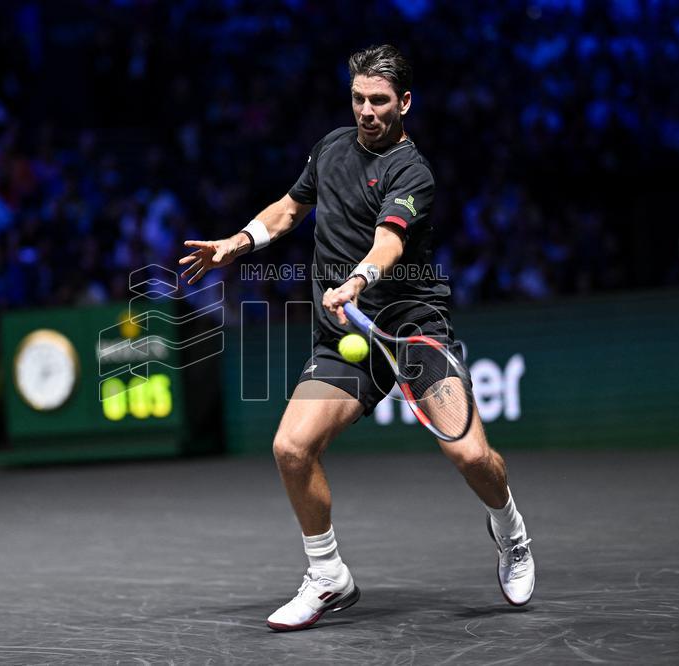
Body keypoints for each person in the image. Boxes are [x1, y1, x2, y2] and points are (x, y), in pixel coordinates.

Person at [179, 44, 535, 631]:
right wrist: (234, 244)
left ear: (405, 103)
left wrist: (357, 280)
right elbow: (288, 211)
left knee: (470, 454)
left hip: (413, 332)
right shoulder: (331, 148)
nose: (367, 110)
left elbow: (389, 242)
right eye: (358, 98)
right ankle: (328, 577)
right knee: (291, 448)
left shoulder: (412, 171)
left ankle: (511, 530)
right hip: (345, 338)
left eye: (379, 100)